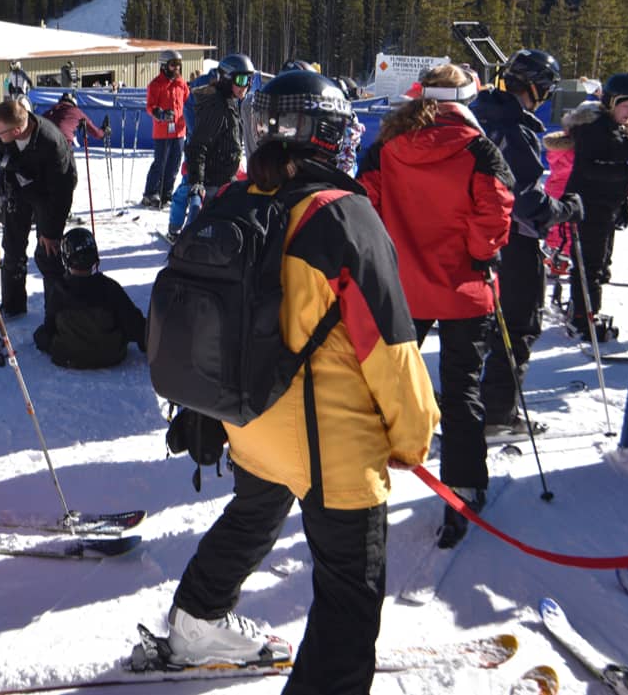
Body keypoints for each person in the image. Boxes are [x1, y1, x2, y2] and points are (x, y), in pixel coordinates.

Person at [164, 70, 439, 694]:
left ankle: (195, 619)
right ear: (322, 136)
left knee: (253, 514)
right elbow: (392, 350)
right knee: (348, 599)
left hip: (251, 420)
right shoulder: (344, 216)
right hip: (332, 450)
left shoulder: (236, 200)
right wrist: (413, 438)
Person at [359, 63, 514, 545]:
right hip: (464, 287)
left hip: (404, 287)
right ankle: (462, 489)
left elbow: (365, 203)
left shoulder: (388, 144)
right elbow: (497, 210)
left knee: (383, 380)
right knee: (462, 387)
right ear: (465, 99)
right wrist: (478, 253)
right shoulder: (477, 147)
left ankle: (357, 474)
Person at [469, 49, 583, 439]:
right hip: (511, 239)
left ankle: (468, 399)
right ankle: (497, 413)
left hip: (471, 235)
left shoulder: (478, 113)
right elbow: (527, 203)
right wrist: (565, 209)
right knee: (517, 324)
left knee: (477, 322)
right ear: (539, 87)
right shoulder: (512, 129)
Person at [564, 72, 628, 336]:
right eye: (627, 106)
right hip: (588, 204)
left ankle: (587, 310)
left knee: (602, 265)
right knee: (589, 265)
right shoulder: (593, 128)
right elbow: (589, 169)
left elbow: (619, 163)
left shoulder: (620, 128)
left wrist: (625, 199)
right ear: (611, 101)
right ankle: (583, 317)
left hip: (607, 205)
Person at [0, 97, 77, 317]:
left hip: (48, 192)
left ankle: (57, 312)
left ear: (17, 130)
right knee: (13, 246)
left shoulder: (52, 143)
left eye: (0, 133)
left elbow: (61, 194)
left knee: (48, 251)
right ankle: (13, 305)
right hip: (18, 187)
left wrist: (51, 232)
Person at [33, 227, 146, 369]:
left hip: (68, 354)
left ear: (66, 259)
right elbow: (134, 324)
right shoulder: (109, 287)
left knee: (40, 335)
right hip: (111, 354)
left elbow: (50, 328)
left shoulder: (58, 289)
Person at [174, 53, 254, 241]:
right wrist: (197, 182)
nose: (246, 85)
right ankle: (187, 246)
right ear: (227, 78)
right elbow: (197, 146)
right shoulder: (217, 106)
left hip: (225, 181)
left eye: (249, 80)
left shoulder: (230, 102)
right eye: (242, 79)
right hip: (213, 185)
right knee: (202, 232)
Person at [141, 50, 189, 208]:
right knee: (160, 163)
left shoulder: (181, 83)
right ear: (164, 66)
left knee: (174, 165)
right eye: (173, 64)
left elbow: (188, 101)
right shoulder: (156, 84)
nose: (176, 68)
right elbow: (150, 106)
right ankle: (150, 193)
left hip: (179, 131)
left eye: (178, 65)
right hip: (163, 132)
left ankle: (166, 194)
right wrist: (160, 113)